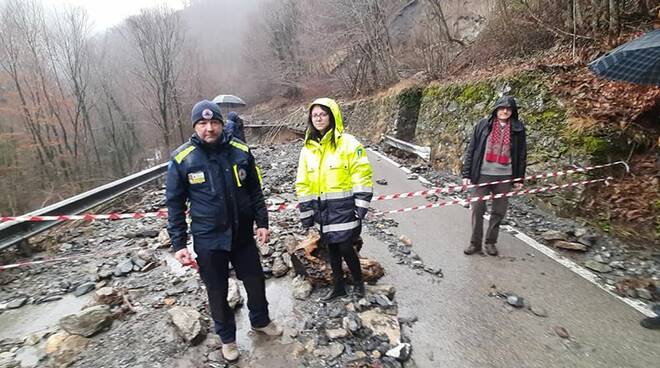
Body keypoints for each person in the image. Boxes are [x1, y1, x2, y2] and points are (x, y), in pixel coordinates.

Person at [165, 100, 281, 362]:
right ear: (195, 126)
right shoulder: (182, 158)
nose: (209, 128)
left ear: (220, 123)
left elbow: (255, 190)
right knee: (217, 292)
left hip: (241, 235)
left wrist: (262, 223)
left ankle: (261, 321)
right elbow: (174, 204)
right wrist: (179, 244)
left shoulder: (240, 150)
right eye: (203, 124)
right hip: (208, 239)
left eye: (214, 122)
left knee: (255, 281)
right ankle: (228, 339)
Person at [295, 98, 373, 301]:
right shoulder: (307, 149)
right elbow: (303, 181)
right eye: (315, 115)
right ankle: (338, 286)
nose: (319, 118)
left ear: (332, 116)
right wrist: (307, 212)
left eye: (322, 114)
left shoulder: (348, 143)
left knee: (346, 246)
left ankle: (358, 284)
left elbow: (361, 173)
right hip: (323, 209)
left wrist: (361, 204)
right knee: (331, 248)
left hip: (345, 207)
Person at [461, 95, 527, 256]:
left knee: (499, 211)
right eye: (502, 108)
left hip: (505, 176)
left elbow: (521, 154)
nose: (504, 111)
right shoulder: (483, 125)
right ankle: (474, 243)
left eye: (508, 108)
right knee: (477, 208)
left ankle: (490, 242)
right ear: (496, 109)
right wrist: (466, 174)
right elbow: (472, 150)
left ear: (512, 111)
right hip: (482, 174)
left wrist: (519, 178)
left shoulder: (518, 129)